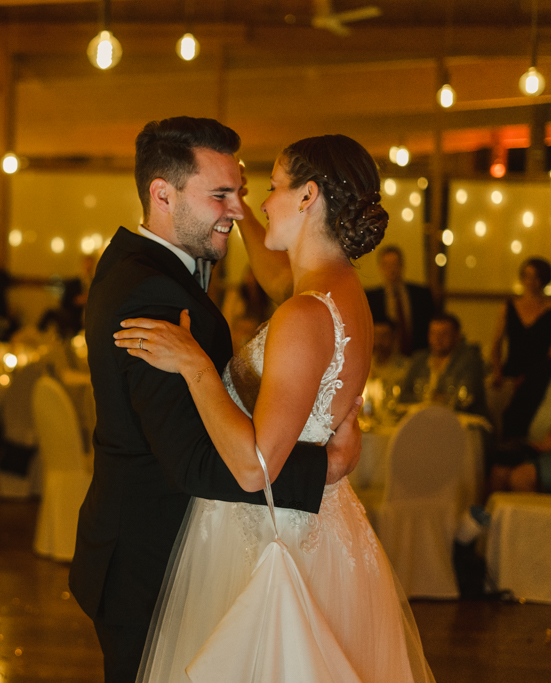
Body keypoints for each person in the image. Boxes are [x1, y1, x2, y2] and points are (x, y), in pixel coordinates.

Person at [113, 130, 434, 682]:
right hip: (318, 524)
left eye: (272, 187)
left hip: (270, 538)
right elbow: (274, 272)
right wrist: (241, 217)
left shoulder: (305, 314)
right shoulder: (341, 289)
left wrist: (194, 366)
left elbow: (253, 466)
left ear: (308, 196)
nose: (256, 200)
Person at [70, 118, 365, 683]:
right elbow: (194, 463)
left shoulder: (153, 264)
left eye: (247, 192)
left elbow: (283, 280)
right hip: (148, 562)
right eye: (221, 195)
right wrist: (324, 468)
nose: (238, 208)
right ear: (163, 193)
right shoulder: (150, 293)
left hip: (178, 552)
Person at [488, 316, 551, 495]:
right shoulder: (540, 371)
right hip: (529, 445)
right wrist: (520, 441)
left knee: (519, 478)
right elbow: (514, 411)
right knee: (498, 472)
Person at [489, 257, 551, 387]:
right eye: (527, 276)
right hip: (510, 375)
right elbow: (497, 343)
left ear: (544, 280)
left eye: (536, 277)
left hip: (540, 377)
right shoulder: (509, 306)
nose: (530, 281)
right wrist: (497, 371)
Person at [400, 313, 488, 415]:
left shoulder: (470, 360)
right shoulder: (419, 359)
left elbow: (465, 399)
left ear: (457, 335)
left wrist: (439, 399)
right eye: (434, 333)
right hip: (424, 418)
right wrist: (430, 398)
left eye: (444, 334)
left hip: (463, 420)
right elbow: (404, 396)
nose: (438, 338)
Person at [365, 244, 434, 355]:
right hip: (384, 358)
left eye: (395, 264)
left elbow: (429, 326)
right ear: (381, 267)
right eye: (387, 265)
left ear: (402, 265)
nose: (391, 269)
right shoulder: (370, 298)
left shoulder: (421, 294)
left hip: (417, 355)